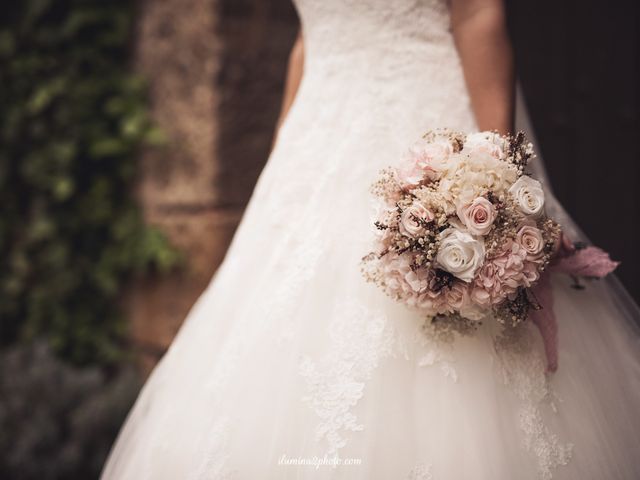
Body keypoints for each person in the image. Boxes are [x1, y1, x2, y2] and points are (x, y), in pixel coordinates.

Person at [101, 0, 640, 478]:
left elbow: (477, 12)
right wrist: (280, 161)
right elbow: (309, 38)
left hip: (424, 124)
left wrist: (491, 175)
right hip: (315, 142)